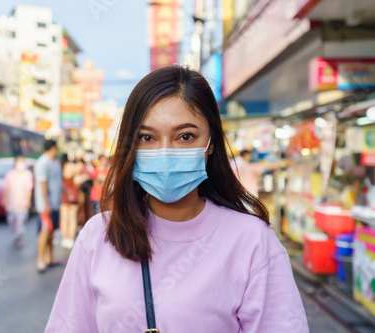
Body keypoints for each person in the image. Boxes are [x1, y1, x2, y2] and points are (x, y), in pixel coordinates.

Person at [45, 66, 308, 332]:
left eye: (185, 136)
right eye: (147, 137)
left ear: (211, 143)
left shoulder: (252, 241)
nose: (165, 152)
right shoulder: (98, 236)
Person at [34, 140, 62, 272]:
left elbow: (59, 182)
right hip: (46, 205)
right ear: (53, 148)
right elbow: (42, 184)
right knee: (44, 232)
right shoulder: (42, 163)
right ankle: (40, 260)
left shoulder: (55, 163)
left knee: (51, 232)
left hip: (56, 203)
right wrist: (46, 203)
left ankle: (49, 258)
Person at [2, 155, 33, 248]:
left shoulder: (28, 174)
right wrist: (4, 199)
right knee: (11, 221)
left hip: (22, 203)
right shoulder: (10, 174)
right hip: (11, 203)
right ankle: (15, 234)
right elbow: (6, 188)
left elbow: (29, 189)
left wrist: (28, 201)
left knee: (20, 221)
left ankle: (19, 237)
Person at [60, 153, 79, 249]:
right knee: (72, 218)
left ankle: (64, 238)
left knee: (64, 218)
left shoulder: (60, 168)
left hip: (63, 195)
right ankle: (70, 239)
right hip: (72, 193)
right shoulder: (72, 167)